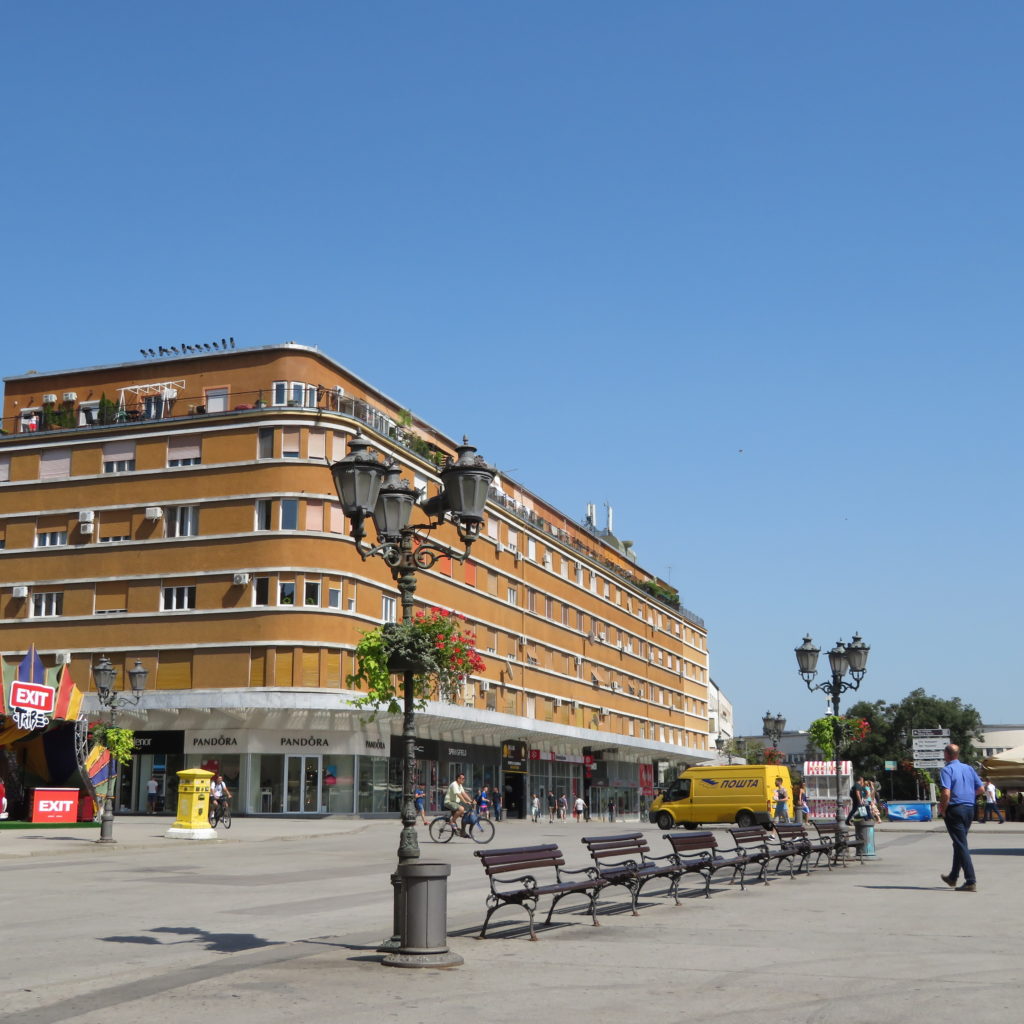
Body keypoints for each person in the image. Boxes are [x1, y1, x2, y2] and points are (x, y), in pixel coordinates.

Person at [938, 743, 985, 892]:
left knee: (961, 844)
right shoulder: (969, 768)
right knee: (959, 843)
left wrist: (943, 809)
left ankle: (970, 880)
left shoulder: (947, 770)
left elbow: (946, 793)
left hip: (955, 809)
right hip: (969, 809)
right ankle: (953, 877)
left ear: (947, 754)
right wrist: (969, 795)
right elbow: (981, 789)